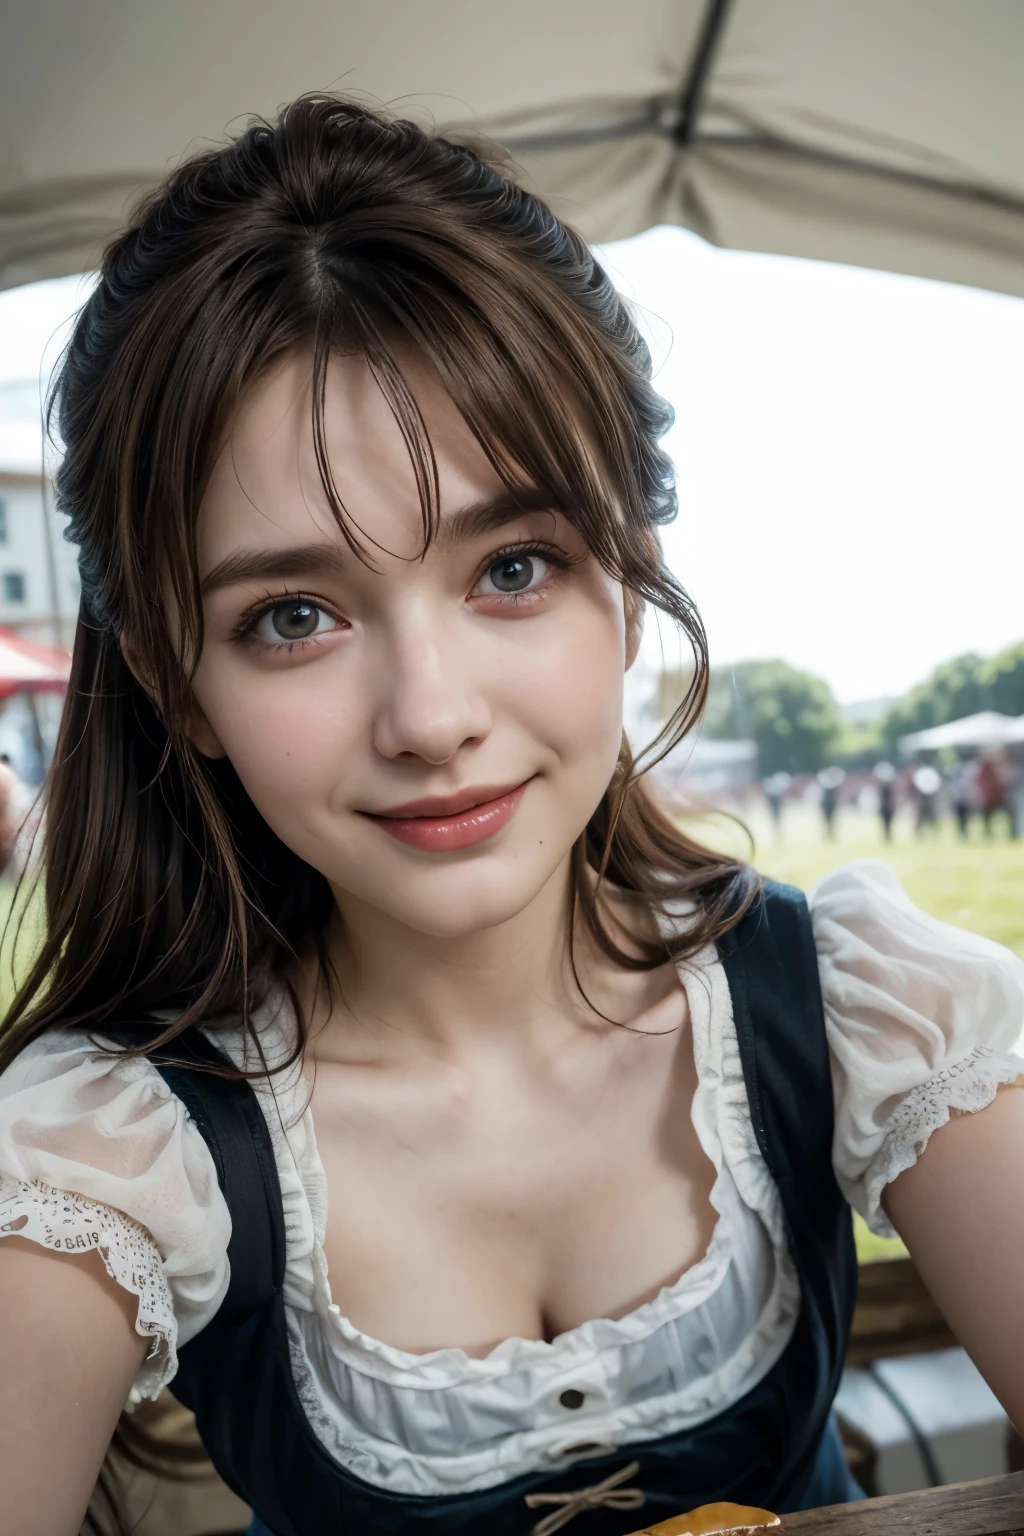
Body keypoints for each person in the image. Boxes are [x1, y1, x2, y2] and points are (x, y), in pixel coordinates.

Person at [1, 98, 1023, 1536]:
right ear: (179, 687)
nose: (430, 713)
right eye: (292, 616)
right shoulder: (106, 1158)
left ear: (629, 573)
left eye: (515, 567)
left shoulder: (857, 1009)